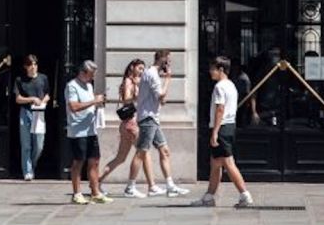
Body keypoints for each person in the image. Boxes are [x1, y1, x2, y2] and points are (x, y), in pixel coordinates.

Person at [126, 50, 189, 198]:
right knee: (141, 152)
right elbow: (161, 95)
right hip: (148, 119)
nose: (169, 63)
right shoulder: (153, 74)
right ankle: (130, 187)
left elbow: (159, 98)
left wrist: (161, 96)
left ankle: (170, 185)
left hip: (153, 118)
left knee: (164, 150)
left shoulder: (151, 74)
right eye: (168, 60)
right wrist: (168, 78)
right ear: (162, 59)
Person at [194, 55, 254, 208]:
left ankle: (245, 195)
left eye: (212, 69)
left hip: (222, 128)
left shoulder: (220, 87)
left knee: (228, 163)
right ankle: (209, 197)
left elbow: (220, 109)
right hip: (229, 126)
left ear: (221, 69)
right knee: (215, 164)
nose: (210, 72)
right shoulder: (231, 85)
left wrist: (214, 132)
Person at [100, 58, 152, 197]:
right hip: (132, 123)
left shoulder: (133, 81)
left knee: (121, 158)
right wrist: (139, 92)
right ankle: (136, 186)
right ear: (132, 68)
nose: (142, 71)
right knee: (143, 153)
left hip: (127, 124)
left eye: (143, 69)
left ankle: (97, 182)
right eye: (139, 68)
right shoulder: (129, 81)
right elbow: (127, 99)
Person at [65, 59, 110, 205]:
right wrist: (93, 102)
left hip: (91, 129)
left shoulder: (89, 86)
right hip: (78, 131)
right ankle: (77, 193)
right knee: (79, 162)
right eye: (91, 74)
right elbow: (74, 107)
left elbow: (90, 104)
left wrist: (98, 104)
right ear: (83, 72)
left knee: (95, 161)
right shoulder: (72, 86)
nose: (92, 77)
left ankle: (95, 192)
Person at [14, 54, 50, 181]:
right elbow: (18, 99)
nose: (33, 67)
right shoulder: (20, 80)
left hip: (39, 112)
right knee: (26, 144)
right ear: (25, 67)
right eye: (30, 65)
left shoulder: (43, 78)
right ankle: (27, 171)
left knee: (39, 144)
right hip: (25, 112)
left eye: (34, 64)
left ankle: (32, 165)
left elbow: (47, 94)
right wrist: (32, 99)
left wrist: (43, 101)